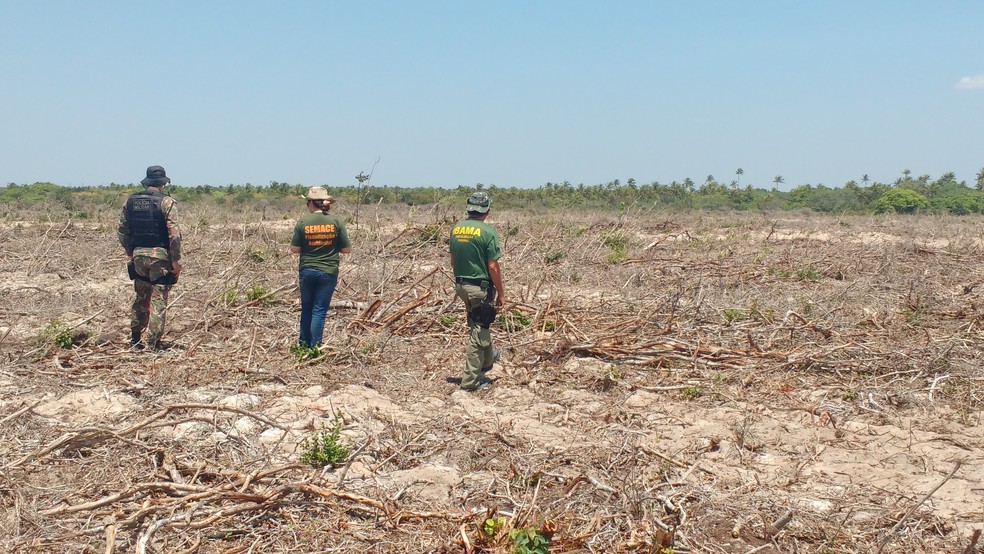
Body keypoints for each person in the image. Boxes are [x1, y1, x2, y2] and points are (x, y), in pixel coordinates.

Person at [117, 165, 182, 351]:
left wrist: (130, 251)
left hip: (138, 256)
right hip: (160, 258)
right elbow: (174, 234)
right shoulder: (167, 202)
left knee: (141, 297)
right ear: (163, 182)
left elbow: (122, 229)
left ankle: (135, 339)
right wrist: (176, 260)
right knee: (158, 300)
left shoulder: (130, 201)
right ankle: (153, 344)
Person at [449, 191, 506, 391]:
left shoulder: (456, 229)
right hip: (480, 288)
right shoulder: (488, 232)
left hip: (461, 285)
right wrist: (501, 292)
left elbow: (453, 260)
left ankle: (488, 360)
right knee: (478, 331)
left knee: (478, 325)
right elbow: (492, 267)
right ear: (487, 210)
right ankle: (470, 382)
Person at [289, 187, 352, 349]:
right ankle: (315, 348)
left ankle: (303, 345)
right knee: (319, 311)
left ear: (312, 203)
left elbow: (294, 249)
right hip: (328, 272)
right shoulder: (336, 221)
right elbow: (346, 250)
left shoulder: (303, 222)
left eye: (307, 202)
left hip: (307, 270)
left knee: (307, 309)